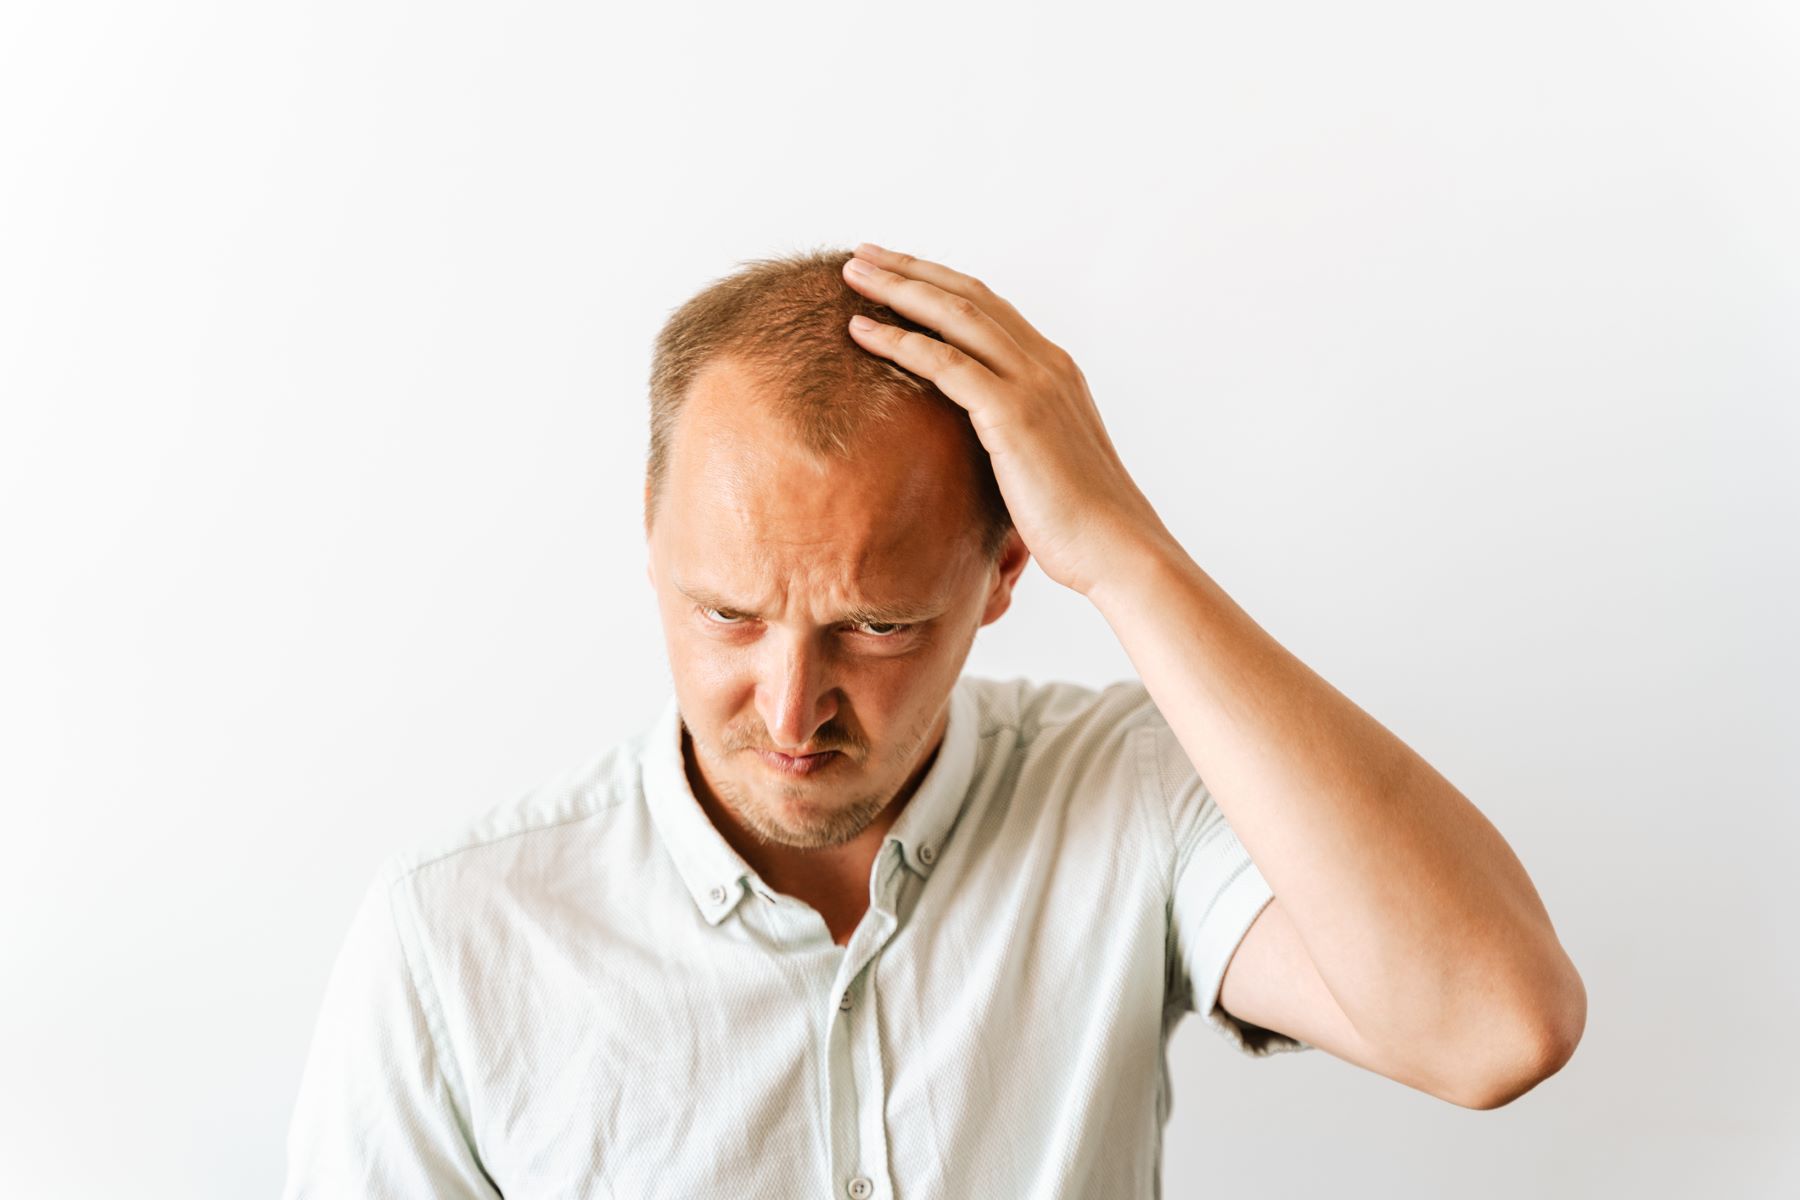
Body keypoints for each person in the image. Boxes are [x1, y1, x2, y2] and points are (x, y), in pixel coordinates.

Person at [281, 243, 1586, 1198]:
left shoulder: (1124, 797)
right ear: (647, 531)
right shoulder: (453, 942)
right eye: (729, 615)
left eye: (878, 626)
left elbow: (1493, 1026)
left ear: (1006, 570)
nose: (792, 709)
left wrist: (1129, 556)